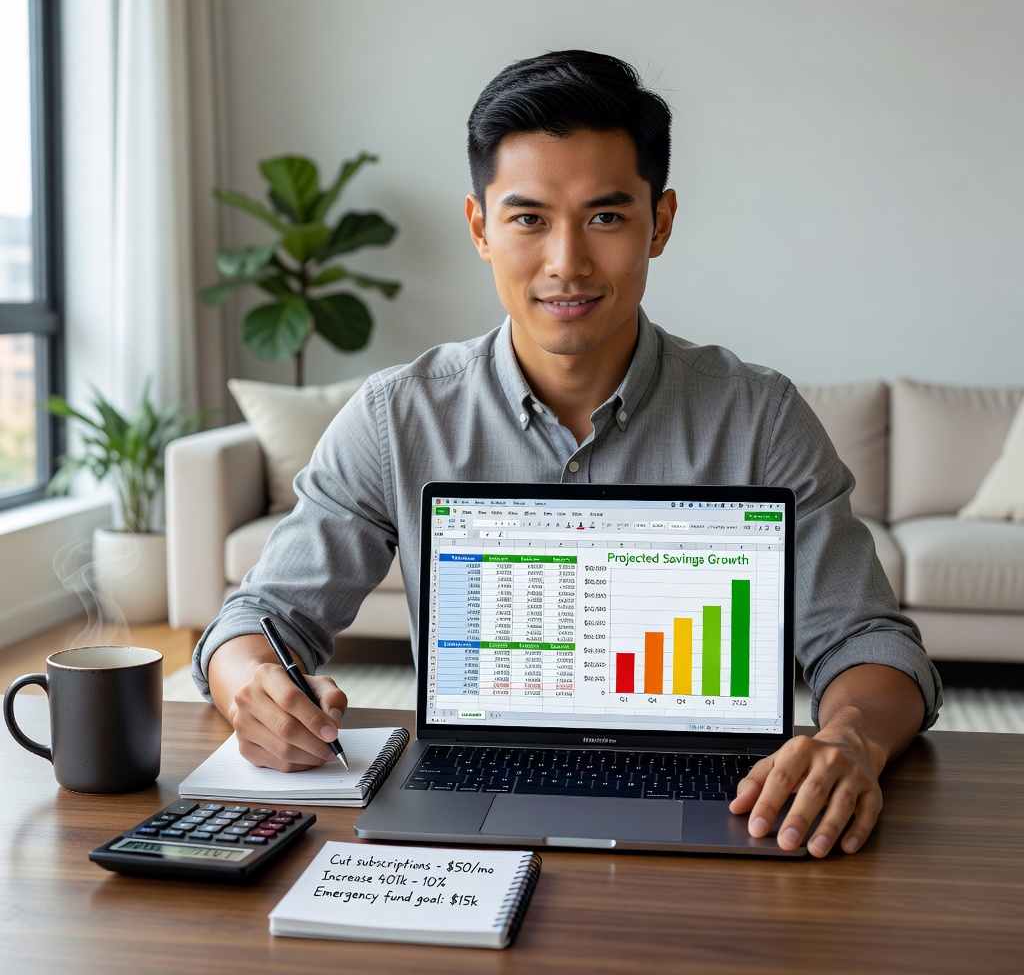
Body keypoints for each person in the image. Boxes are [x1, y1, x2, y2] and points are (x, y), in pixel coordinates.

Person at [193, 49, 941, 859]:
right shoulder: (396, 416)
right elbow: (257, 622)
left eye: (606, 217)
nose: (567, 263)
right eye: (528, 218)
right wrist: (251, 690)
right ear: (480, 227)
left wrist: (853, 741)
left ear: (661, 221)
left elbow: (871, 641)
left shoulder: (759, 416)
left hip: (729, 799)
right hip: (472, 799)